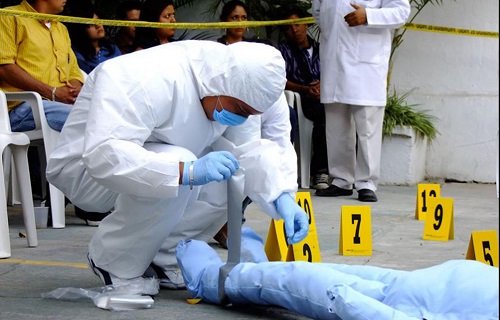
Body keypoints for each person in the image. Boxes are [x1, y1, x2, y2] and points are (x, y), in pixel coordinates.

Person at [46, 40, 309, 293]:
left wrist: (282, 195)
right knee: (181, 163)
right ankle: (114, 263)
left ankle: (166, 257)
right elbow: (104, 154)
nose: (242, 119)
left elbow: (250, 153)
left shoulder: (239, 85)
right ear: (221, 84)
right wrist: (185, 171)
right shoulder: (145, 77)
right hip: (87, 171)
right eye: (240, 109)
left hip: (162, 153)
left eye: (250, 114)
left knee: (232, 170)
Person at [176, 228, 499, 320]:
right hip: (426, 282)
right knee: (307, 274)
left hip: (412, 304)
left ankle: (212, 280)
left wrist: (343, 302)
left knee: (301, 281)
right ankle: (245, 265)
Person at [312, 0, 411, 202]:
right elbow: (318, 10)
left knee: (367, 126)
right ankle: (341, 180)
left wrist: (369, 16)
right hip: (333, 58)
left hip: (366, 62)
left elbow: (401, 12)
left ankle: (366, 183)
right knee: (335, 127)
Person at [278, 6, 329, 190]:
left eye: (298, 24)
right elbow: (279, 80)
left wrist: (323, 86)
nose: (295, 29)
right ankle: (320, 171)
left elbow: (334, 72)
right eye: (290, 26)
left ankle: (346, 173)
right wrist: (305, 89)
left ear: (306, 25)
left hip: (326, 94)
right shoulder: (284, 50)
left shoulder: (321, 48)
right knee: (323, 116)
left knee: (345, 115)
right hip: (301, 97)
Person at [67, 6, 121, 74]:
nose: (98, 25)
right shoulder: (76, 55)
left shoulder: (112, 49)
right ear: (81, 29)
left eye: (98, 20)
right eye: (91, 24)